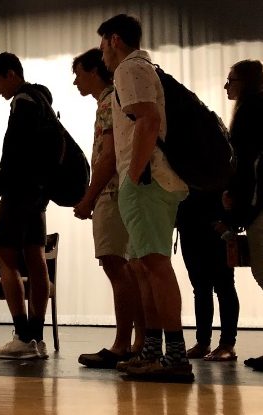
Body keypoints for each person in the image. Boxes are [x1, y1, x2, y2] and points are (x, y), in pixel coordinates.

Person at [98, 14, 193, 382]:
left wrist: (135, 175)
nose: (102, 54)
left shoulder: (129, 68)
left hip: (147, 183)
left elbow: (149, 120)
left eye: (104, 44)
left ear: (115, 39)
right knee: (143, 268)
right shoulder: (141, 68)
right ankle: (154, 352)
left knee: (154, 267)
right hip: (147, 182)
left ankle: (176, 358)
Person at [0, 52, 52, 360]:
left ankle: (23, 336)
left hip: (19, 194)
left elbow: (18, 157)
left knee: (5, 258)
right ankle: (38, 338)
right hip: (38, 193)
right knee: (35, 256)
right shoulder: (42, 101)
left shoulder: (22, 103)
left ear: (12, 74)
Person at [72, 48, 145, 369]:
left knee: (118, 266)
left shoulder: (107, 102)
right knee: (129, 268)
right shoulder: (112, 101)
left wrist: (90, 196)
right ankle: (140, 341)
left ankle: (123, 343)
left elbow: (109, 155)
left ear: (93, 71)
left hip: (113, 193)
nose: (75, 81)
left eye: (79, 73)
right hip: (120, 192)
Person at [221, 59, 263, 371]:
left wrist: (235, 197)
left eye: (231, 79)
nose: (227, 86)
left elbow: (245, 161)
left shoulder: (252, 111)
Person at [177, 188, 240, 362]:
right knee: (201, 287)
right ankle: (203, 342)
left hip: (216, 223)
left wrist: (228, 220)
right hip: (189, 222)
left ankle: (227, 344)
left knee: (224, 285)